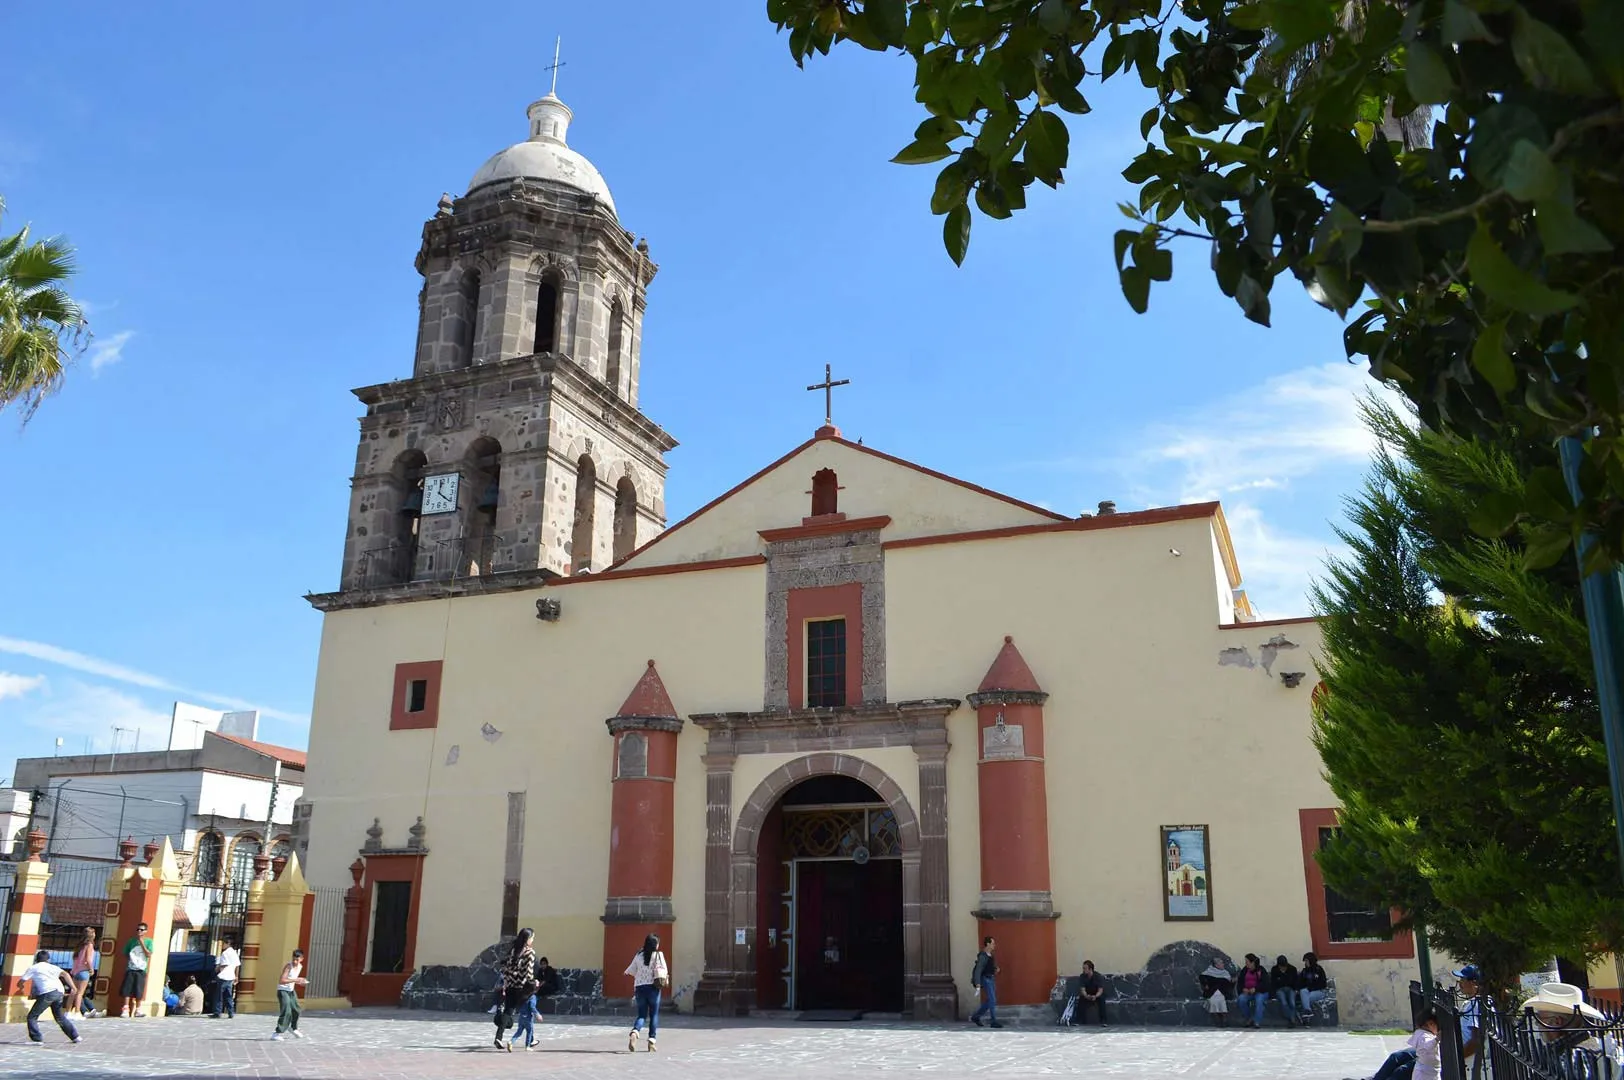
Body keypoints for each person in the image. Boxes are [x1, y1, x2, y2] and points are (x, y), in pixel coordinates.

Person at [22, 949, 82, 1044]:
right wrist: (73, 988)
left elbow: (22, 981)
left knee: (32, 1016)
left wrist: (20, 986)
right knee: (59, 1017)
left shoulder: (33, 968)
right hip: (59, 992)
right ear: (48, 960)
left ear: (37, 959)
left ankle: (36, 1038)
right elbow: (65, 974)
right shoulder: (52, 967)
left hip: (47, 993)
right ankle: (75, 1036)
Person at [493, 929, 538, 1051]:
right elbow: (529, 974)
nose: (533, 940)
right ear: (527, 939)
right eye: (532, 938)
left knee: (508, 1012)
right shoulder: (530, 953)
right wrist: (535, 983)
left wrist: (506, 983)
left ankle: (498, 1037)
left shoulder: (514, 951)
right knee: (528, 1013)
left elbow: (506, 970)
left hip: (511, 986)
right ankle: (531, 1039)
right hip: (522, 989)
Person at [1369, 1008, 1441, 1080]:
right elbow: (1426, 1045)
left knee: (1403, 1070)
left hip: (1430, 1062)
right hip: (1427, 1055)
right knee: (1395, 1057)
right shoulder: (1423, 1034)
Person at [625, 933, 669, 1052]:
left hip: (639, 988)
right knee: (654, 1014)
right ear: (656, 944)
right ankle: (651, 1041)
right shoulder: (659, 955)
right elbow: (664, 971)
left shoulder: (639, 955)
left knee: (641, 1015)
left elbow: (631, 970)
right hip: (653, 988)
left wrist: (641, 976)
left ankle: (635, 1032)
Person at [270, 948, 308, 1040]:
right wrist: (296, 980)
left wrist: (300, 982)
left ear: (302, 959)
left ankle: (293, 1028)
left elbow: (293, 978)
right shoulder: (288, 966)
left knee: (296, 1009)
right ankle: (277, 1033)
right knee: (286, 1011)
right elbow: (282, 980)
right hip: (283, 991)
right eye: (293, 959)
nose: (295, 961)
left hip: (291, 991)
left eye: (297, 959)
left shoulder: (300, 966)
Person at [1453, 965, 1483, 1077]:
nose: (1460, 983)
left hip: (1465, 1059)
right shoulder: (1469, 1003)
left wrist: (1457, 1058)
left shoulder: (1476, 1005)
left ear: (1473, 982)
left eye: (1463, 980)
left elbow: (1476, 1041)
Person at [121, 921, 154, 1018]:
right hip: (131, 968)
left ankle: (138, 1010)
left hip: (141, 969)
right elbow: (125, 953)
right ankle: (126, 1009)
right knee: (127, 989)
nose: (139, 931)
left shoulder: (149, 942)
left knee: (139, 990)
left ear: (146, 931)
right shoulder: (131, 941)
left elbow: (148, 954)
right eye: (138, 929)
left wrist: (142, 943)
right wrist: (132, 960)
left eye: (142, 930)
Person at [970, 936, 1003, 1029]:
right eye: (992, 943)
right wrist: (977, 983)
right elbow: (978, 970)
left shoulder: (990, 955)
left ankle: (975, 1017)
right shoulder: (982, 956)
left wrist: (995, 969)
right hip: (985, 979)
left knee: (990, 1001)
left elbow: (989, 966)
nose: (994, 945)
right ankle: (993, 1021)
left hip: (991, 978)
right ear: (988, 944)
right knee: (992, 1000)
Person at [1235, 953, 1269, 1028]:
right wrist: (1243, 989)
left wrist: (1256, 989)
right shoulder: (1244, 970)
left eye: (1247, 961)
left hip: (1260, 992)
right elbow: (1240, 982)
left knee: (1259, 1000)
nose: (1246, 963)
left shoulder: (1261, 970)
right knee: (1241, 999)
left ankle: (1257, 1021)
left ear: (1252, 962)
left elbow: (1265, 983)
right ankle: (1249, 1018)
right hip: (1248, 992)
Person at [70, 926, 98, 1017]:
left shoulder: (79, 946)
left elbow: (75, 959)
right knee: (80, 993)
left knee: (73, 992)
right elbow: (88, 959)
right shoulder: (89, 945)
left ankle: (69, 1011)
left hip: (76, 971)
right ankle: (78, 1012)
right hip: (84, 971)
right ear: (92, 935)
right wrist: (91, 969)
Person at [1199, 957, 1233, 1026]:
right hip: (1211, 992)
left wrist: (1215, 982)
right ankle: (1217, 1018)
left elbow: (1228, 983)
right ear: (1216, 965)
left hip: (1223, 992)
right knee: (1213, 1000)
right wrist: (1206, 984)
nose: (1223, 964)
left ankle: (1224, 1018)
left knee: (1221, 999)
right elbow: (1203, 979)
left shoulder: (1225, 973)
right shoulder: (1208, 972)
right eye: (1221, 963)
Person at [213, 935, 241, 1019]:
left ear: (227, 943)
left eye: (223, 943)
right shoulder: (234, 952)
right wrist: (236, 976)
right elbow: (237, 965)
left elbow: (224, 964)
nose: (222, 945)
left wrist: (217, 969)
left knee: (219, 996)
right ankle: (230, 1012)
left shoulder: (225, 953)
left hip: (223, 976)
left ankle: (217, 1012)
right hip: (230, 977)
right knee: (228, 996)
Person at [1298, 951, 1329, 1024]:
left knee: (1306, 998)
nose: (1305, 963)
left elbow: (1323, 984)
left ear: (1311, 960)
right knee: (1303, 991)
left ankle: (1306, 1013)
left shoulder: (1319, 970)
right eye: (1305, 961)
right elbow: (1300, 983)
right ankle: (1308, 1011)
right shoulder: (1304, 971)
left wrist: (1311, 988)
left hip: (1319, 991)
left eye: (1306, 961)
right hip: (1307, 991)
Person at [1271, 954, 1301, 1026]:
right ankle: (1292, 1018)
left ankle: (1291, 1019)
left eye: (1284, 967)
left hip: (1291, 989)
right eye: (1281, 967)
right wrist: (1273, 993)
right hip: (1279, 989)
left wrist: (1296, 989)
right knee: (1284, 1002)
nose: (1283, 968)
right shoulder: (1274, 970)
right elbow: (1273, 983)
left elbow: (1296, 981)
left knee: (1292, 1003)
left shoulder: (1292, 969)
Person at [1078, 960, 1108, 1025]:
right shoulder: (1082, 976)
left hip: (1097, 994)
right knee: (1081, 999)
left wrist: (1096, 996)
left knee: (1102, 1000)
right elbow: (1082, 989)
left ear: (1090, 969)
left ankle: (1103, 1021)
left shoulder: (1098, 976)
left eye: (1085, 968)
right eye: (1083, 968)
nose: (1083, 970)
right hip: (1088, 994)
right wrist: (1086, 996)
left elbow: (1100, 990)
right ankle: (1079, 1020)